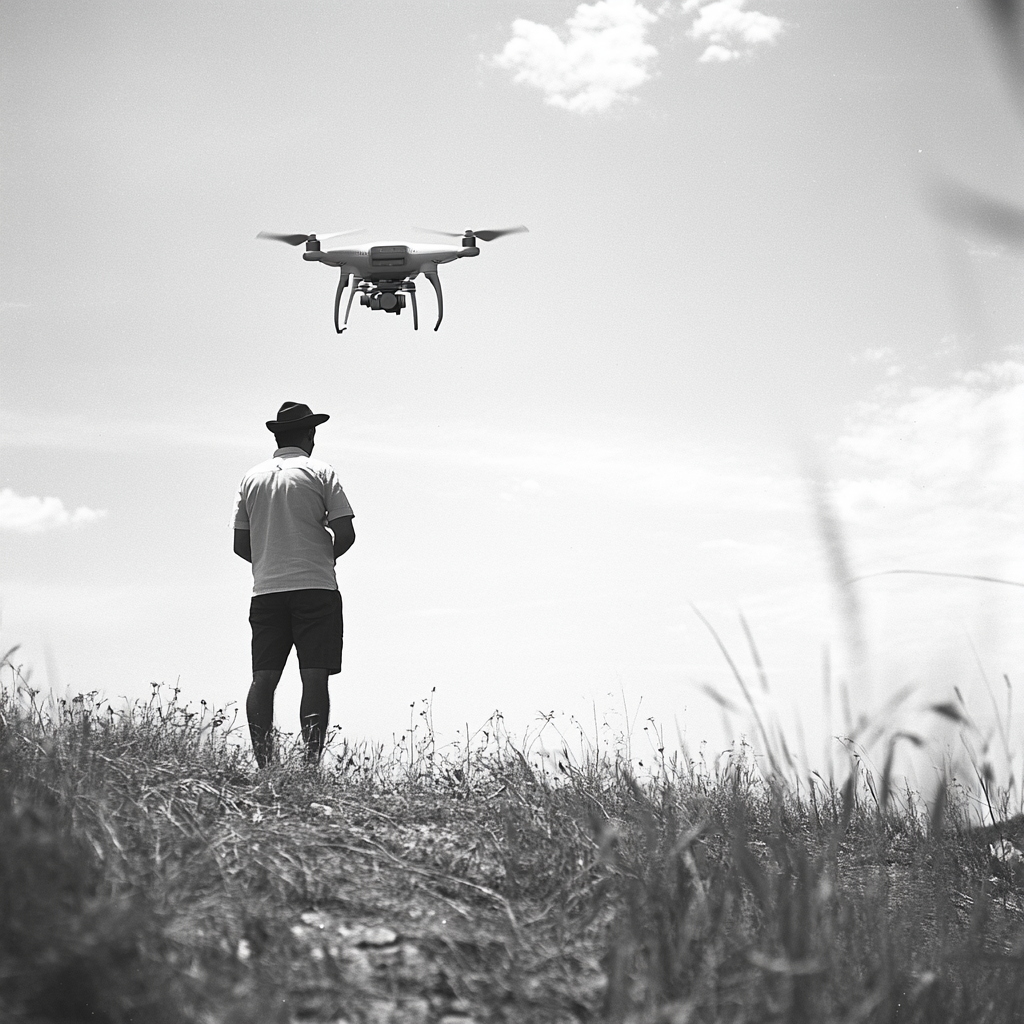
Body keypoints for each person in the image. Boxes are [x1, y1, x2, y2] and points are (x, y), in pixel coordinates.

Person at [232, 401, 355, 767]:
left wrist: (272, 560)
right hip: (315, 588)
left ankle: (266, 767)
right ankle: (309, 767)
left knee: (263, 679)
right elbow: (345, 532)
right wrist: (323, 558)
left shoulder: (251, 477)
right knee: (314, 678)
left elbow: (241, 544)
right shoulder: (321, 472)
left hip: (267, 590)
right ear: (309, 434)